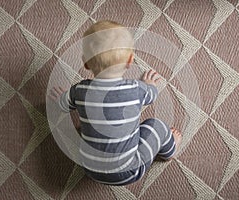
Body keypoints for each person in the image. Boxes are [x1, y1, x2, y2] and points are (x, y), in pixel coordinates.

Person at [49, 20, 182, 185]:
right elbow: (152, 96)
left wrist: (63, 97)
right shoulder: (137, 89)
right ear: (130, 60)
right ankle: (170, 149)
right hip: (131, 171)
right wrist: (150, 85)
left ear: (86, 63)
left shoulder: (79, 90)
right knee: (156, 125)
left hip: (90, 169)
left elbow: (63, 105)